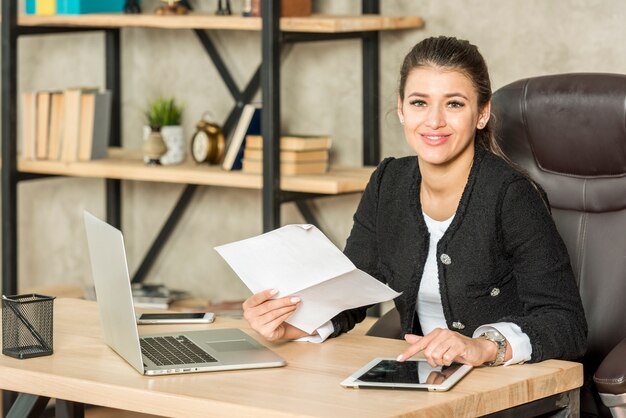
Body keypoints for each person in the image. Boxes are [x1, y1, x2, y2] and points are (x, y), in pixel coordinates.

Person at [242, 36, 587, 368]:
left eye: (454, 104)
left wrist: (483, 347)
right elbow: (352, 291)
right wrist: (295, 325)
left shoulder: (510, 194)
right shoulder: (388, 182)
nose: (434, 120)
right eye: (419, 102)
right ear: (402, 110)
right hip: (422, 376)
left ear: (482, 114)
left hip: (503, 385)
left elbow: (565, 322)